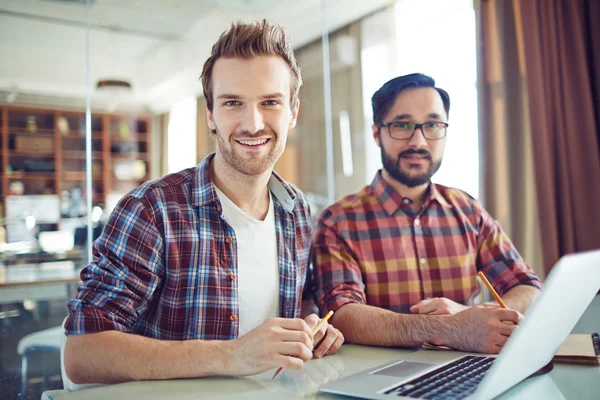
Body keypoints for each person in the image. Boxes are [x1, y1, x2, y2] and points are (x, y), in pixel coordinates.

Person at [64, 20, 343, 385]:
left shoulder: (296, 209)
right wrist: (232, 355)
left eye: (270, 102)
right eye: (233, 103)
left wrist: (311, 327)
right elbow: (82, 353)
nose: (253, 123)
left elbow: (295, 303)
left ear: (292, 112)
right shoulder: (152, 210)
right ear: (210, 115)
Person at [311, 73, 541, 355]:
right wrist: (453, 327)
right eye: (402, 125)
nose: (418, 141)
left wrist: (474, 315)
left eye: (432, 125)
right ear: (377, 133)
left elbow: (528, 287)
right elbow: (341, 314)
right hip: (379, 379)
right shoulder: (337, 221)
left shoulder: (468, 210)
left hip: (467, 369)